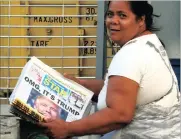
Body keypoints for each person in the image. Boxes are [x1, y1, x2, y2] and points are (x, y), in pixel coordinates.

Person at [39, 1, 180, 139]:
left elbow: (119, 114)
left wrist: (67, 129)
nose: (113, 21)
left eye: (122, 15)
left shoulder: (131, 54)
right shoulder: (149, 44)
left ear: (141, 19)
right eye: (110, 14)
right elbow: (123, 90)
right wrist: (81, 85)